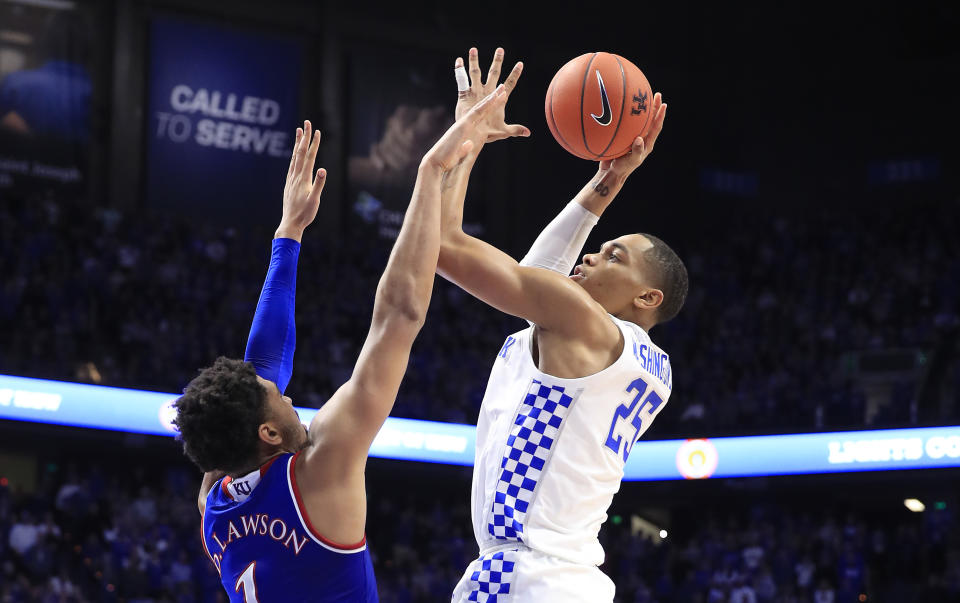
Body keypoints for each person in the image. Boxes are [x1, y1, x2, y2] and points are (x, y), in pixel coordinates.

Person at [173, 86, 510, 602]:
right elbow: (399, 316)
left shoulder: (214, 503)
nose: (287, 394)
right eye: (277, 397)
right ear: (266, 430)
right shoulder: (319, 468)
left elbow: (262, 367)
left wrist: (290, 233)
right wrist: (432, 171)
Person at [439, 48, 686, 601]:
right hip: (567, 579)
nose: (593, 258)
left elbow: (443, 245)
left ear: (649, 297)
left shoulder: (583, 324)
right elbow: (536, 279)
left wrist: (467, 134)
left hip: (525, 579)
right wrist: (609, 179)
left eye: (614, 257)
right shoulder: (643, 361)